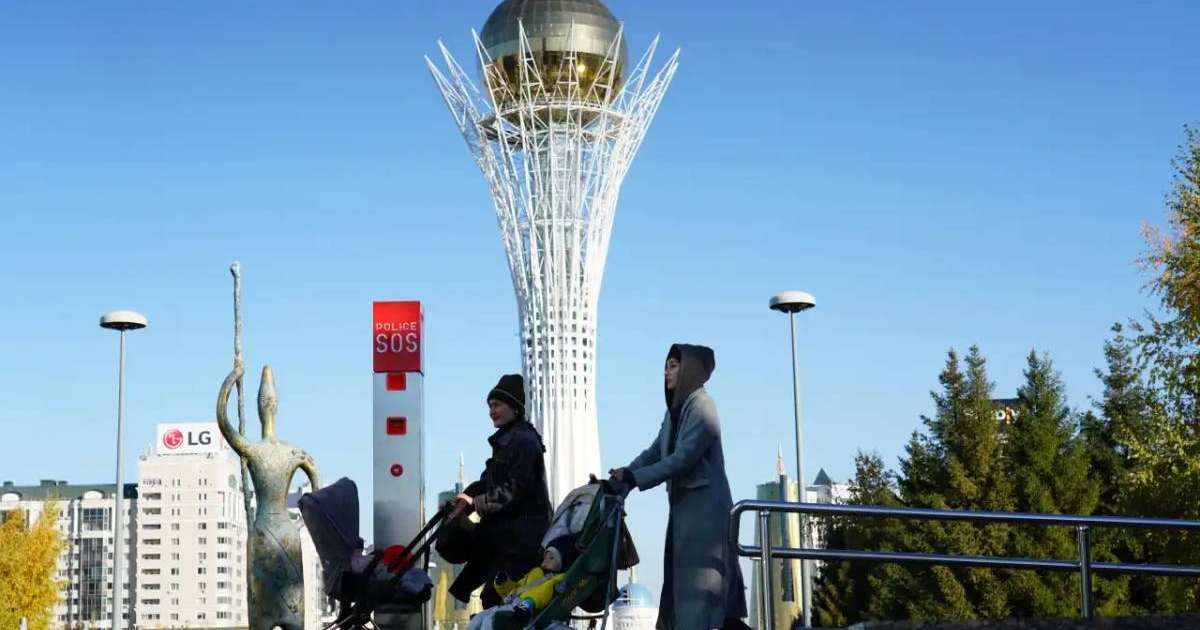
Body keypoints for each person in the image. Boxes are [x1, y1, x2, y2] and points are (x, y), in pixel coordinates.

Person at [610, 344, 749, 630]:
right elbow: (654, 452)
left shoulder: (702, 406)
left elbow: (682, 458)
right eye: (666, 365)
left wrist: (637, 479)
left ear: (690, 370)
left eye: (674, 365)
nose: (666, 371)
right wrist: (625, 474)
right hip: (685, 515)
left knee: (701, 595)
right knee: (682, 595)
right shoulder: (675, 412)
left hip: (705, 518)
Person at [446, 374, 553, 608]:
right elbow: (488, 480)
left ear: (514, 407)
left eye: (497, 405)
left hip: (523, 540)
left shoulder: (525, 441)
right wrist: (465, 498)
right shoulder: (507, 442)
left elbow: (516, 488)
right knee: (493, 598)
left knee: (495, 598)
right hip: (507, 537)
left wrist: (476, 502)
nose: (491, 411)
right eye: (489, 406)